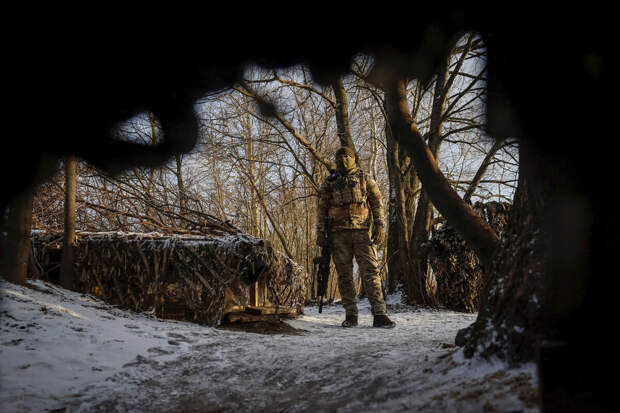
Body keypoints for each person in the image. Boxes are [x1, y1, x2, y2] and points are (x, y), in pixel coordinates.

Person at [316, 146, 395, 328]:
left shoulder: (365, 178)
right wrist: (320, 233)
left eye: (347, 156)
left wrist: (380, 225)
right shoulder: (329, 183)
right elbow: (321, 209)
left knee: (371, 272)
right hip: (338, 235)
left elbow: (377, 202)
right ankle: (351, 315)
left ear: (353, 158)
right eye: (340, 157)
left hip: (362, 232)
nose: (343, 159)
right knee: (344, 275)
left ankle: (380, 314)